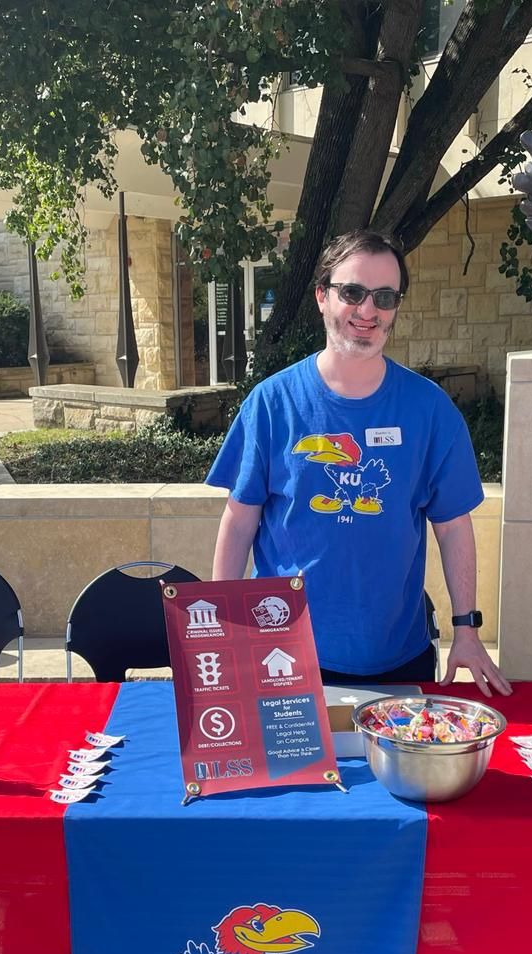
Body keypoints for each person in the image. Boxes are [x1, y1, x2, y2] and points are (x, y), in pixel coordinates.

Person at [208, 229, 510, 696]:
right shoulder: (271, 403)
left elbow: (453, 527)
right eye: (352, 292)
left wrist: (466, 629)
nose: (368, 310)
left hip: (399, 658)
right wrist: (222, 629)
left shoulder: (429, 410)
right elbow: (239, 521)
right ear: (322, 297)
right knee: (297, 774)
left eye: (384, 296)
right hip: (283, 654)